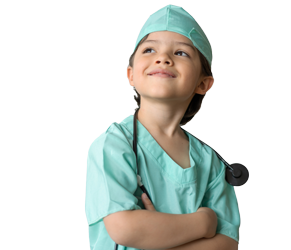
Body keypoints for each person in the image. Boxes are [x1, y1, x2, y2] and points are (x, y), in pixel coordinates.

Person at [85, 4, 240, 250]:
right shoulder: (114, 145)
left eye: (181, 53)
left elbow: (227, 243)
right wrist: (203, 223)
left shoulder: (210, 162)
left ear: (203, 83)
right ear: (131, 75)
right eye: (149, 49)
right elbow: (124, 228)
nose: (163, 58)